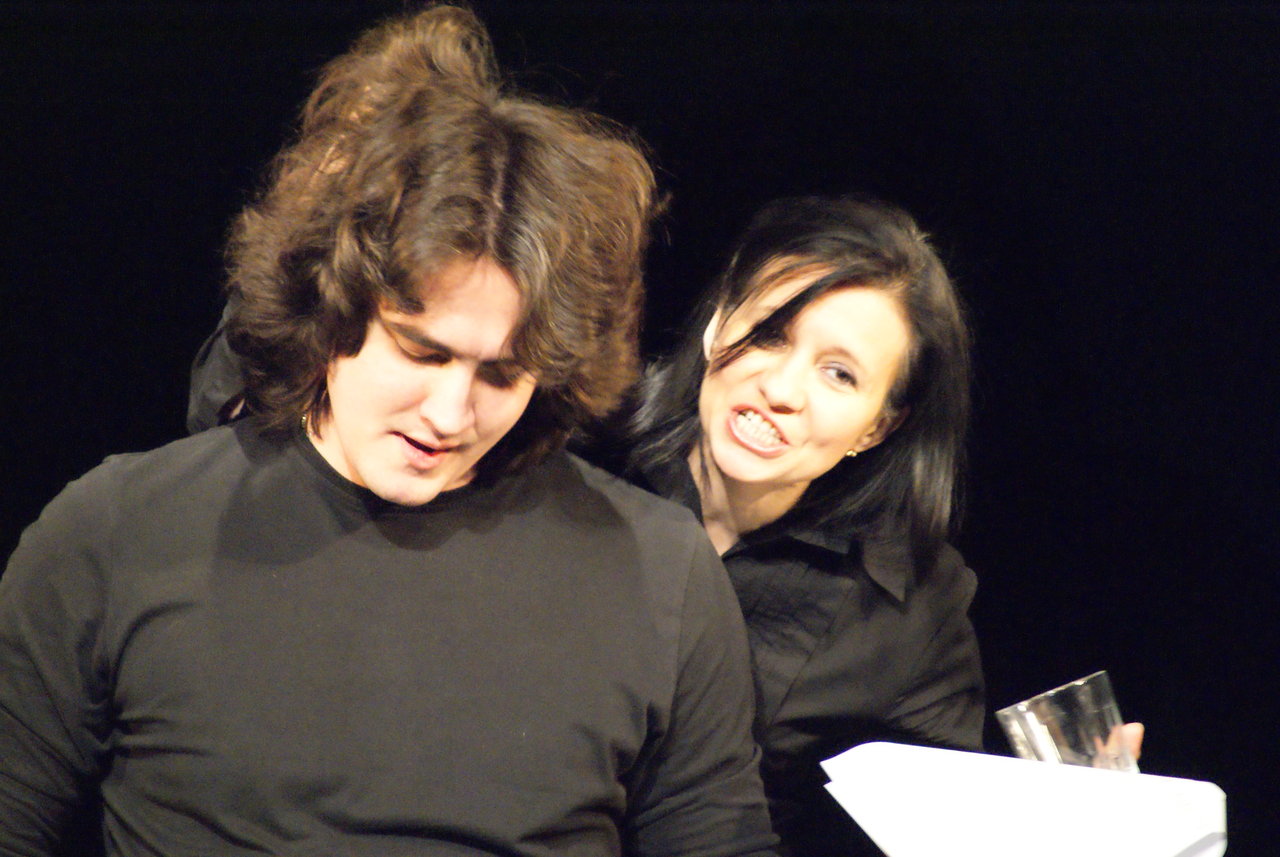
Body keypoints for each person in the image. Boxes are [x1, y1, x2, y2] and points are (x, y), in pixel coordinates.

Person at [0, 6, 779, 856]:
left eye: (502, 373)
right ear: (330, 303)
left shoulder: (661, 575)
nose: (450, 414)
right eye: (421, 350)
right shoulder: (115, 533)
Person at [625, 196, 984, 857]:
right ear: (719, 323)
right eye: (770, 334)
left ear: (878, 425)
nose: (782, 390)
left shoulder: (911, 611)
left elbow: (939, 835)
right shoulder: (576, 456)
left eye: (839, 374)